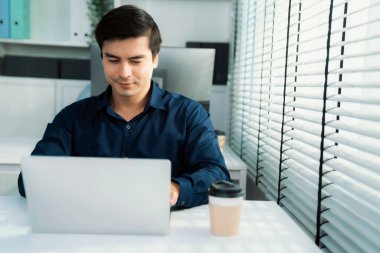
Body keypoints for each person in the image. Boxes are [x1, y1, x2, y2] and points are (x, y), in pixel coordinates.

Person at [17, 5, 230, 208]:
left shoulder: (189, 115)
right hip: (89, 231)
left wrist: (176, 189)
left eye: (136, 61)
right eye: (113, 60)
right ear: (102, 59)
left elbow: (217, 174)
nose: (124, 72)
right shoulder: (72, 117)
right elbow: (29, 180)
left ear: (155, 58)